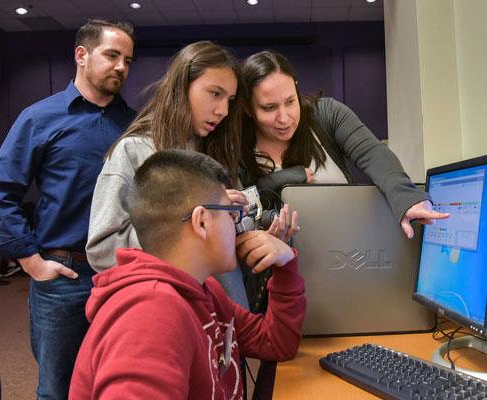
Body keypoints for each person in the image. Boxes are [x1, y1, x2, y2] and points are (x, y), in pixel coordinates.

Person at [69, 149, 306, 399]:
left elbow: (276, 343)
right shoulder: (150, 314)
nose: (237, 227)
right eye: (231, 214)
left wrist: (284, 267)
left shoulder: (205, 291)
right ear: (202, 221)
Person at [0, 19, 136, 399]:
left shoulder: (134, 125)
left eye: (128, 60)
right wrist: (32, 263)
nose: (121, 66)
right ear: (81, 55)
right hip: (63, 277)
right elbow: (1, 192)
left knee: (119, 383)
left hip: (122, 275)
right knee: (58, 390)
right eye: (112, 55)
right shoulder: (40, 117)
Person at [86, 41, 279, 308]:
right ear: (182, 87)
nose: (223, 110)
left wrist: (247, 229)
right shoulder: (133, 152)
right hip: (167, 315)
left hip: (224, 315)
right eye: (214, 93)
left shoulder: (217, 152)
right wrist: (192, 220)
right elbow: (102, 250)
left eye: (230, 100)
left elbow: (221, 252)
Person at [239, 50, 450, 240]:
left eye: (290, 101)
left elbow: (373, 153)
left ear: (296, 88)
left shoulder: (327, 114)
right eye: (269, 108)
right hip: (274, 272)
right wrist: (277, 181)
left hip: (344, 253)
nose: (284, 117)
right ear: (248, 108)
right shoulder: (237, 145)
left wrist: (406, 197)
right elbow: (242, 210)